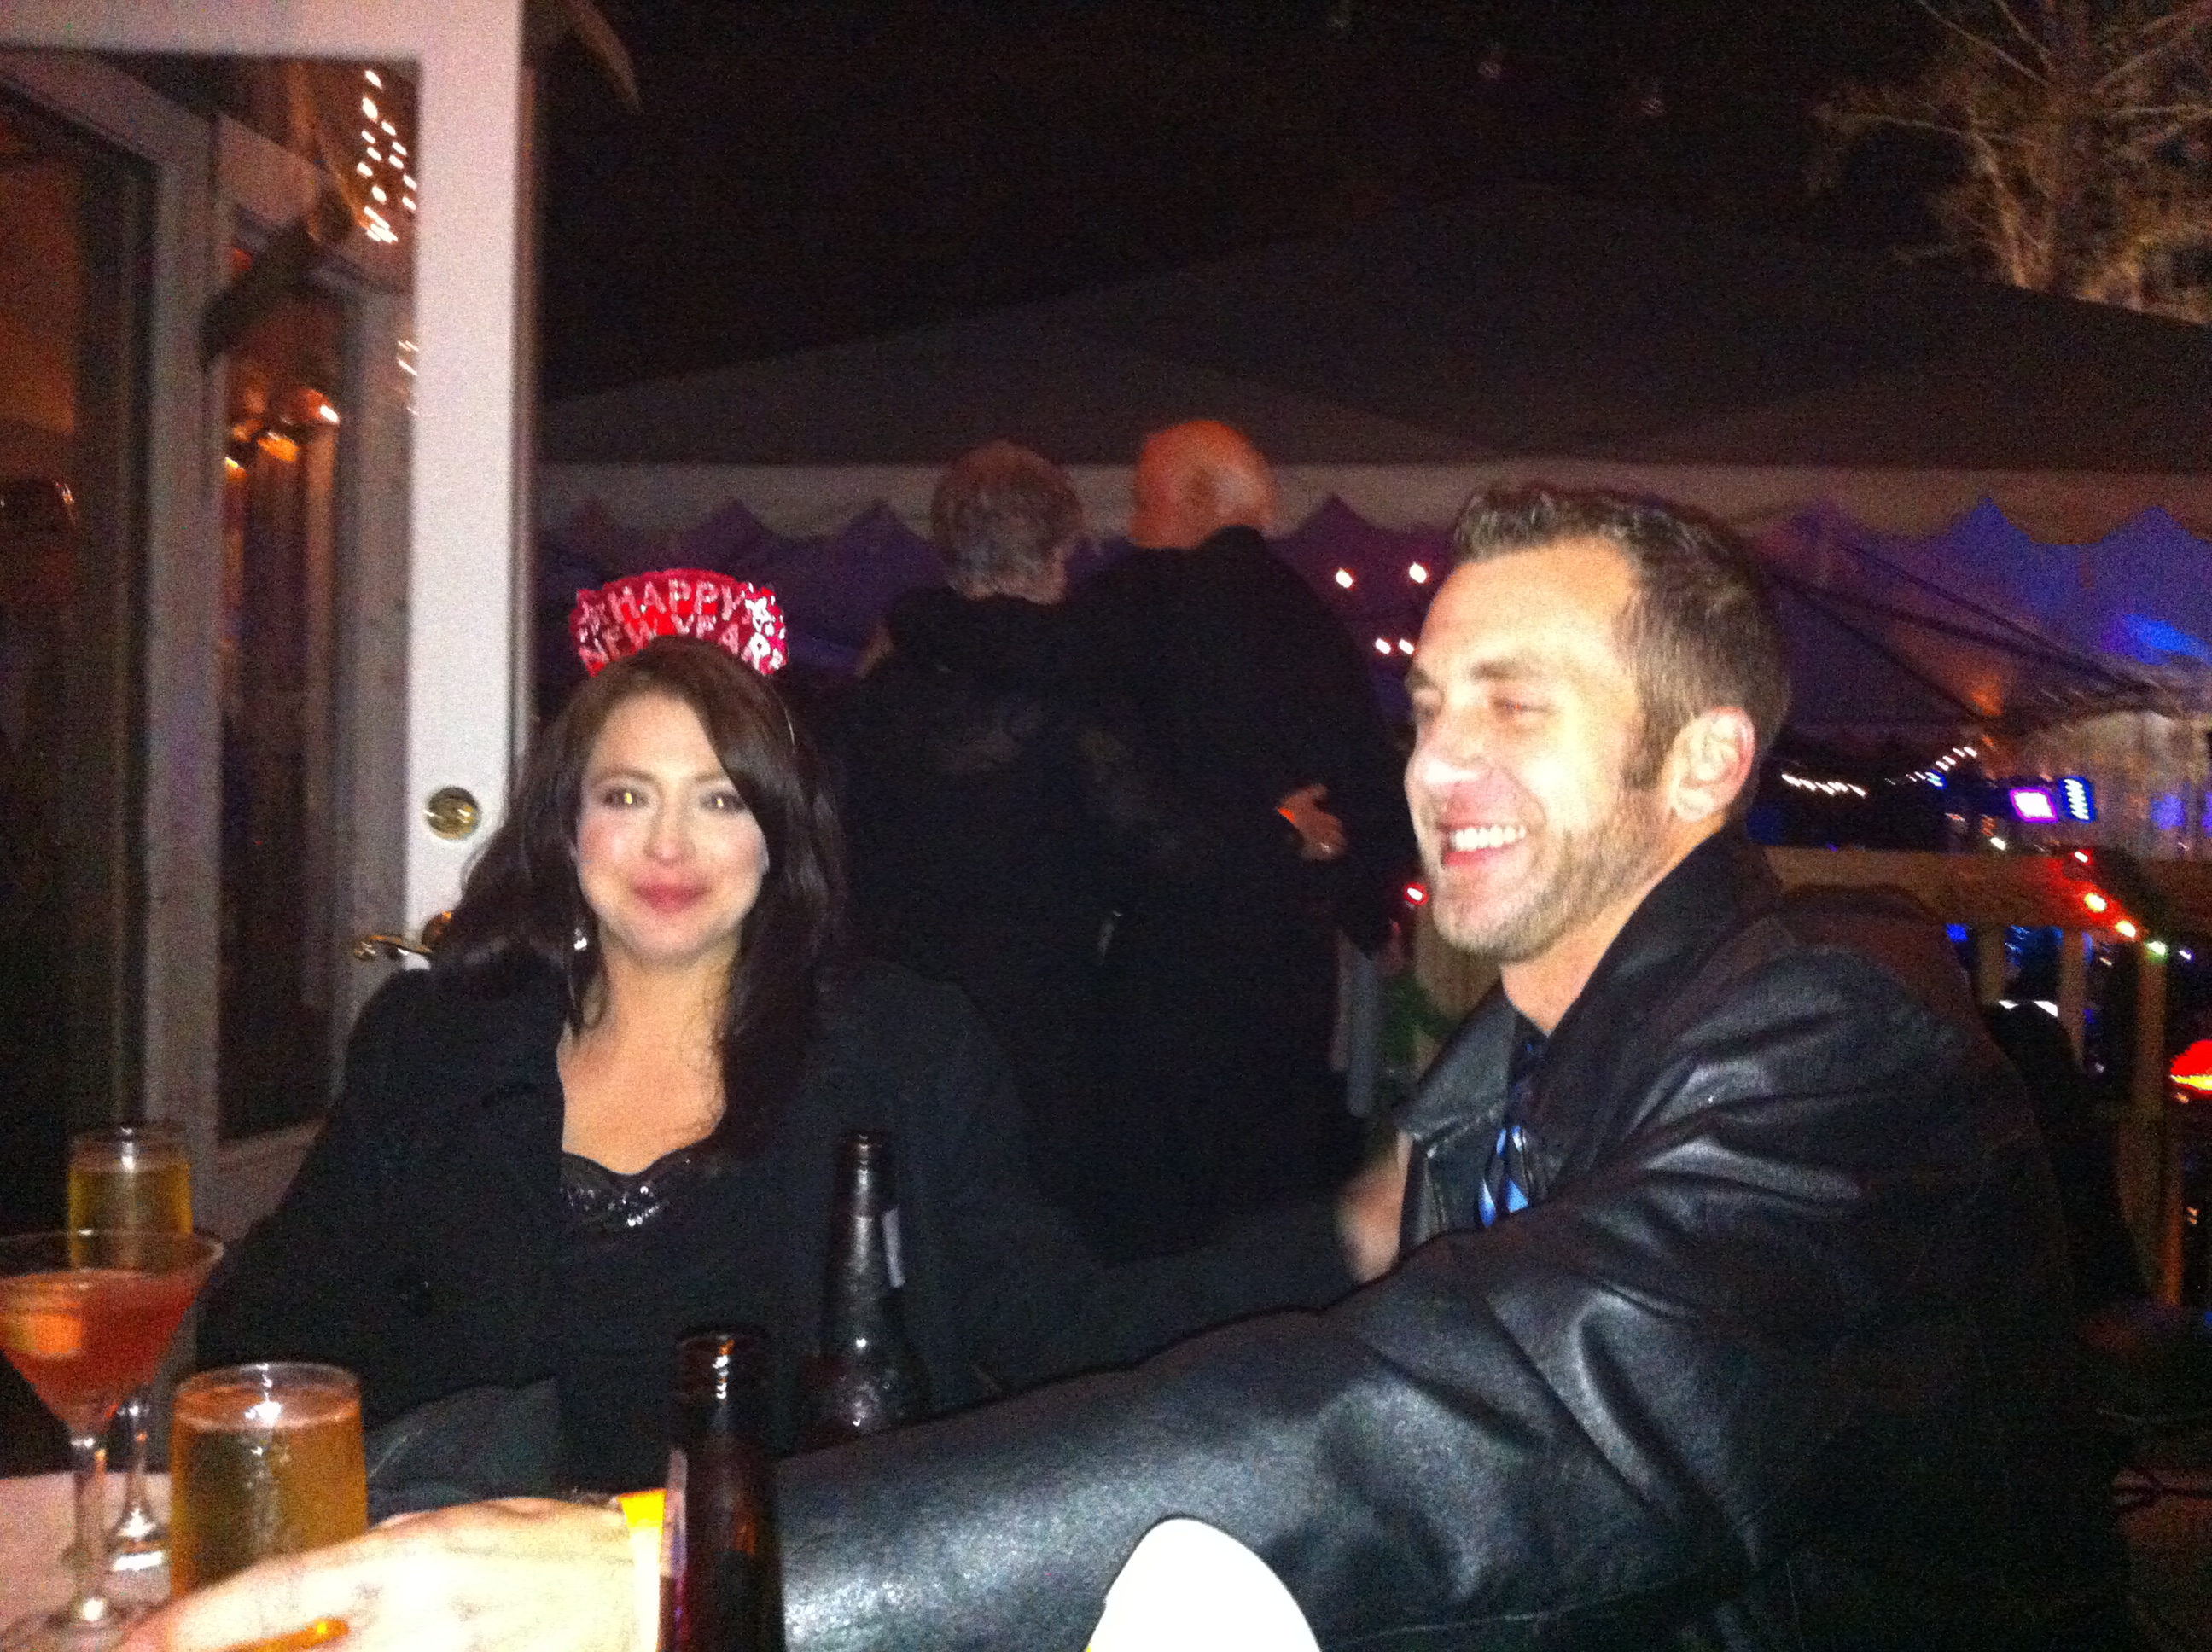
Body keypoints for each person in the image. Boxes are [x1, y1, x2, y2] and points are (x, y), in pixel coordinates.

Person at [133, 486, 2122, 1652]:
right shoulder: (1507, 1068)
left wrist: (682, 1562)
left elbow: (1456, 1428)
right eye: (1432, 697)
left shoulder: (1828, 1031)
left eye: (1517, 703)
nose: (1439, 754)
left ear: (1702, 764)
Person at [195, 630, 1352, 1496]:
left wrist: (1342, 1238)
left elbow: (1057, 1328)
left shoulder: (902, 1055)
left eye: (719, 800)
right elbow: (270, 1340)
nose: (668, 844)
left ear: (779, 836)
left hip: (774, 1606)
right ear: (566, 827)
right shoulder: (434, 1044)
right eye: (627, 796)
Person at [838, 441, 1284, 1229]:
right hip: (1037, 1027)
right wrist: (1277, 829)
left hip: (893, 1019)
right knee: (1028, 1233)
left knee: (912, 1232)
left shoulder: (882, 688)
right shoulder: (1078, 690)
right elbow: (1168, 844)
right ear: (1057, 554)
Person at [1068, 419, 1417, 1259]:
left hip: (1167, 956)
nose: (1132, 525)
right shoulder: (1312, 621)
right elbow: (1369, 789)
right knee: (1266, 1204)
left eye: (1145, 502)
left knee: (1156, 1207)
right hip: (1289, 963)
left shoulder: (1139, 608)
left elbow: (1098, 775)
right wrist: (1365, 906)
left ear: (1197, 498)